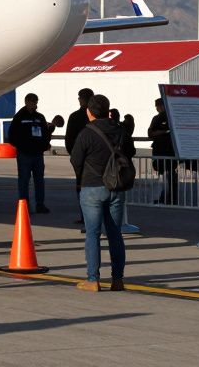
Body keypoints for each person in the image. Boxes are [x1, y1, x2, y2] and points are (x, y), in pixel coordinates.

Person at [70, 93, 133, 292]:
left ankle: (93, 279)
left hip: (92, 188)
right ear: (108, 111)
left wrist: (82, 177)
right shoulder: (120, 130)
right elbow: (130, 152)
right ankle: (117, 279)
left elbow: (75, 160)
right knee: (115, 234)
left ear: (89, 113)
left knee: (93, 234)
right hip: (116, 187)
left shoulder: (86, 133)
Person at [8, 93, 52, 213]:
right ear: (26, 102)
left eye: (36, 102)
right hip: (24, 154)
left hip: (38, 154)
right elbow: (11, 136)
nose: (34, 104)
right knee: (24, 180)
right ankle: (24, 205)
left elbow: (45, 134)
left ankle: (40, 204)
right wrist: (22, 146)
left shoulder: (40, 117)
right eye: (32, 102)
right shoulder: (19, 117)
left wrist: (44, 145)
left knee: (39, 179)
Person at [65, 88, 94, 223]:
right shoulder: (99, 116)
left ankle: (85, 216)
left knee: (82, 187)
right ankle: (96, 216)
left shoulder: (75, 117)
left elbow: (69, 140)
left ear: (81, 99)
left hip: (81, 159)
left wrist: (75, 156)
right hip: (97, 159)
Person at [148, 98, 178, 205]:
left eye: (158, 106)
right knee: (167, 176)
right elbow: (150, 133)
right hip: (166, 152)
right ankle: (167, 198)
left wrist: (163, 132)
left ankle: (166, 198)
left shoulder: (163, 118)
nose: (158, 108)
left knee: (166, 176)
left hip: (164, 152)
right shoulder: (162, 118)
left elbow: (151, 133)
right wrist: (165, 132)